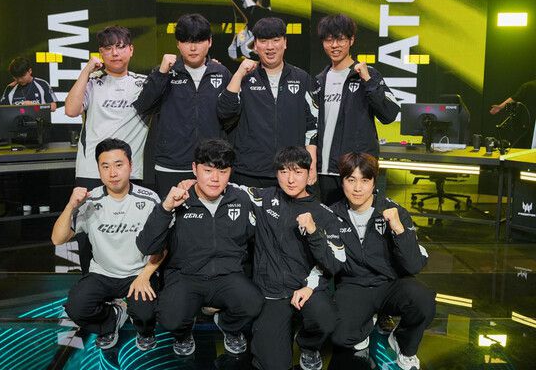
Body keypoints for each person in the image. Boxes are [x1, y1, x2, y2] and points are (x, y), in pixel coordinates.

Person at [137, 139, 264, 357]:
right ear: (194, 169)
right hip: (186, 276)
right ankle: (184, 332)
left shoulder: (241, 199)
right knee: (170, 318)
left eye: (222, 172)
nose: (215, 178)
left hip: (227, 275)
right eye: (207, 170)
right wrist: (166, 208)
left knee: (253, 303)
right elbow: (147, 245)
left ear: (230, 172)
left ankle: (227, 325)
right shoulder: (179, 199)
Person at [322, 152, 434, 370]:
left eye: (365, 180)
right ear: (342, 181)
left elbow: (413, 265)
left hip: (390, 283)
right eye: (351, 180)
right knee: (341, 337)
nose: (357, 188)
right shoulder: (331, 215)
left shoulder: (394, 211)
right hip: (354, 286)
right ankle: (366, 323)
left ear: (374, 182)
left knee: (423, 301)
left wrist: (398, 229)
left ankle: (402, 344)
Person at [51, 138, 164, 351]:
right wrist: (70, 205)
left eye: (118, 165)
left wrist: (145, 275)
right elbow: (57, 239)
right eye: (105, 166)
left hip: (137, 273)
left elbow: (163, 246)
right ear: (99, 170)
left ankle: (144, 330)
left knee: (145, 313)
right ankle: (111, 320)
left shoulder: (150, 200)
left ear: (130, 165)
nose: (112, 173)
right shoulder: (90, 200)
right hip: (102, 273)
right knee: (76, 308)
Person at [239, 146, 345, 370]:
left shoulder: (324, 214)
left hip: (306, 288)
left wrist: (314, 233)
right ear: (276, 173)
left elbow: (335, 264)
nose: (290, 179)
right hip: (271, 292)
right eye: (284, 171)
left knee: (325, 319)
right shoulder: (262, 198)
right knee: (273, 365)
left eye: (297, 172)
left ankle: (308, 345)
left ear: (309, 173)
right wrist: (190, 183)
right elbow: (224, 185)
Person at [64, 25, 149, 274]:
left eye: (120, 47)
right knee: (88, 236)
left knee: (129, 235)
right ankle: (91, 283)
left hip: (131, 172)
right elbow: (70, 110)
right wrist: (86, 71)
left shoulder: (144, 84)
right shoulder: (92, 83)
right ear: (100, 53)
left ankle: (130, 284)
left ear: (131, 50)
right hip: (91, 171)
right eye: (108, 48)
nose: (115, 53)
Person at [133, 13, 232, 197]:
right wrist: (161, 73)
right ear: (178, 44)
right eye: (186, 41)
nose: (192, 48)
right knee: (170, 213)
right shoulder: (165, 72)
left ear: (209, 42)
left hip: (210, 166)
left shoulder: (222, 73)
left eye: (199, 41)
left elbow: (231, 117)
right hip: (171, 165)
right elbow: (144, 107)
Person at [218, 17, 318, 188]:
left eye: (276, 40)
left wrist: (312, 163)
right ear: (255, 46)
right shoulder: (244, 78)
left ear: (285, 43)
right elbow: (224, 111)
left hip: (290, 173)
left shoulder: (302, 79)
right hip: (248, 172)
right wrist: (239, 74)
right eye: (263, 41)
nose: (270, 47)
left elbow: (312, 125)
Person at [314, 14, 400, 205]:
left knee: (359, 222)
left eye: (340, 39)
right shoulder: (319, 80)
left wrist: (368, 81)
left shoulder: (368, 75)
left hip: (356, 172)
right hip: (323, 172)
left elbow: (390, 114)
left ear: (351, 40)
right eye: (328, 40)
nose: (334, 45)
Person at [490, 78, 536, 148]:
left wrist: (500, 107)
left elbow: (514, 98)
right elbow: (514, 98)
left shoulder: (529, 85)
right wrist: (500, 107)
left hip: (526, 124)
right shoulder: (529, 86)